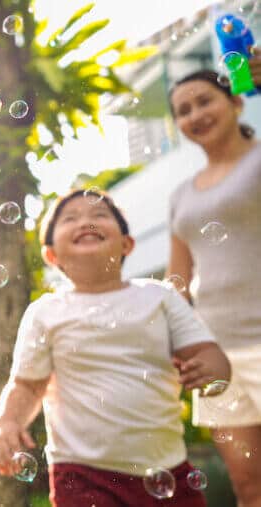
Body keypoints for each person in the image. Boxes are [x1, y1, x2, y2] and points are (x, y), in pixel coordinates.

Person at [0, 188, 231, 506]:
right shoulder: (46, 312)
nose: (86, 221)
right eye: (71, 218)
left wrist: (211, 369)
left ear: (127, 243)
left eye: (100, 215)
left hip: (167, 468)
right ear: (51, 255)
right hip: (81, 474)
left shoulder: (159, 297)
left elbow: (210, 356)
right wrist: (6, 422)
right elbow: (27, 385)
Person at [167, 69, 261, 507]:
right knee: (248, 487)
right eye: (183, 110)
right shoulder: (181, 195)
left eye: (205, 101)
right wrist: (175, 343)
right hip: (217, 357)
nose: (195, 114)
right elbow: (178, 279)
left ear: (236, 103)